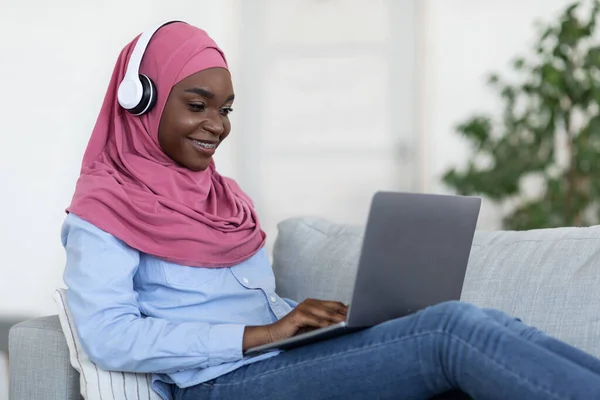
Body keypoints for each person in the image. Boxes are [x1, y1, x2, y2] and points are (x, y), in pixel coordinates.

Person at [61, 21, 600, 400]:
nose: (217, 124)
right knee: (452, 332)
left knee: (493, 324)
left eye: (225, 110)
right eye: (197, 105)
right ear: (141, 100)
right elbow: (108, 336)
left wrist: (320, 320)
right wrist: (263, 336)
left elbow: (252, 302)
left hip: (279, 360)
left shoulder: (222, 197)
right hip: (218, 383)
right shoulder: (102, 208)